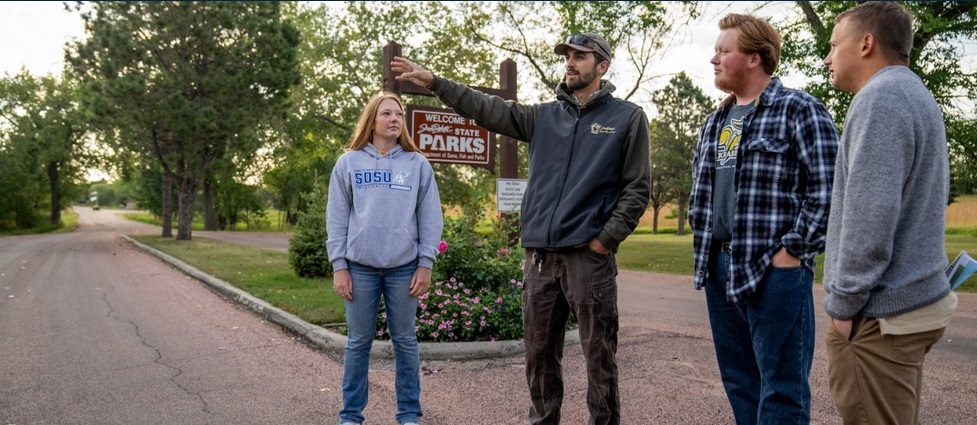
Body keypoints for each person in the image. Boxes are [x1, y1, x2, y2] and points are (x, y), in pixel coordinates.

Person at [391, 32, 650, 425]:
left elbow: (637, 189)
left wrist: (605, 240)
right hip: (540, 259)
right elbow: (487, 108)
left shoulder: (626, 118)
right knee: (539, 358)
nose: (571, 62)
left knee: (599, 357)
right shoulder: (543, 116)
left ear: (602, 66)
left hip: (588, 257)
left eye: (581, 56)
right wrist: (436, 83)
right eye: (568, 55)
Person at [688, 13, 839, 424]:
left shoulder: (800, 110)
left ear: (754, 58)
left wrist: (792, 251)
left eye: (724, 50)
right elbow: (700, 196)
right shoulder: (715, 121)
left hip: (775, 270)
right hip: (718, 266)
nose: (714, 58)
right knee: (739, 381)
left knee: (782, 388)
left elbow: (828, 193)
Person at [821, 2, 957, 423]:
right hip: (910, 304)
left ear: (866, 44)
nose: (826, 57)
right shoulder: (913, 93)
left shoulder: (879, 99)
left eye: (833, 45)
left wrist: (843, 309)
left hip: (880, 315)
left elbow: (871, 218)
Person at [326, 92, 444, 425]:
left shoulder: (416, 163)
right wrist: (339, 266)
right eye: (387, 113)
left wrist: (425, 263)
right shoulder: (348, 163)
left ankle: (408, 413)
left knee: (405, 341)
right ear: (372, 121)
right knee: (358, 342)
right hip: (359, 267)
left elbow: (430, 218)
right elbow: (336, 217)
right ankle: (350, 415)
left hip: (404, 267)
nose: (394, 119)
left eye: (399, 114)